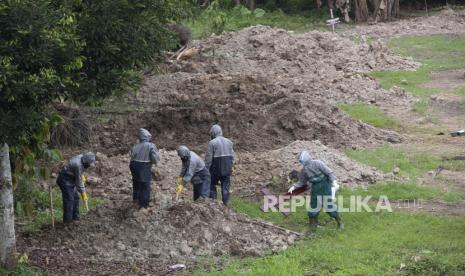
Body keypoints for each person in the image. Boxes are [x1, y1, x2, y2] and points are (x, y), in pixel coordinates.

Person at [288, 150, 343, 229]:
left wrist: (334, 182)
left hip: (325, 186)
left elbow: (329, 173)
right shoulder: (304, 170)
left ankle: (339, 222)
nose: (301, 162)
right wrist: (293, 187)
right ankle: (313, 225)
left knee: (328, 206)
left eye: (301, 160)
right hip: (315, 188)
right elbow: (301, 181)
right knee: (313, 206)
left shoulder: (318, 163)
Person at [56, 152, 96, 223]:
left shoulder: (82, 158)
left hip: (72, 176)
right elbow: (79, 182)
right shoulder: (77, 165)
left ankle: (75, 218)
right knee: (69, 199)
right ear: (86, 162)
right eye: (89, 164)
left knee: (76, 198)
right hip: (65, 178)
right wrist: (83, 193)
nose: (90, 166)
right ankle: (67, 222)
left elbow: (79, 174)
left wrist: (81, 175)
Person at [129, 128, 160, 213]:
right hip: (143, 166)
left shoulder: (135, 146)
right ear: (147, 136)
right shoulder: (151, 145)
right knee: (145, 187)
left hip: (133, 165)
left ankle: (136, 199)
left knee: (136, 183)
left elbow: (131, 155)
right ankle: (144, 206)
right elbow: (155, 159)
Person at [204, 124, 235, 205]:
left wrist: (206, 170)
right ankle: (226, 205)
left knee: (211, 185)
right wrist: (232, 168)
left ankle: (213, 205)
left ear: (213, 133)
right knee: (225, 187)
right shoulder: (229, 142)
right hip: (227, 169)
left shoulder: (212, 143)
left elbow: (208, 159)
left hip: (215, 169)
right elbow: (233, 157)